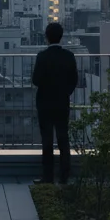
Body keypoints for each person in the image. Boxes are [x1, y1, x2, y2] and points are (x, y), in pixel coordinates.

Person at [31, 21, 78, 184]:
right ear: (61, 37)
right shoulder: (69, 56)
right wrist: (64, 92)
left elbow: (35, 80)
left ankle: (48, 176)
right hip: (62, 102)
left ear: (47, 37)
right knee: (63, 139)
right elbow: (74, 80)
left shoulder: (42, 57)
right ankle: (65, 175)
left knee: (47, 140)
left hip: (44, 102)